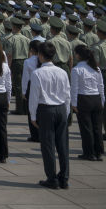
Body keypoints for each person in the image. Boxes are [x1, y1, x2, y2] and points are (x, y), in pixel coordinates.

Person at [30, 41, 71, 189]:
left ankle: (52, 178)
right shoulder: (62, 72)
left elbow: (34, 97)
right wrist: (66, 112)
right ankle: (64, 177)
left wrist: (33, 116)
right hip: (61, 108)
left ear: (40, 55)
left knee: (48, 146)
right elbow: (67, 95)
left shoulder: (37, 73)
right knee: (63, 145)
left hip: (46, 110)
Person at [70, 44, 105, 161]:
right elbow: (101, 86)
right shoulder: (96, 68)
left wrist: (73, 103)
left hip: (84, 99)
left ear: (78, 55)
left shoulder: (76, 69)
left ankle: (89, 153)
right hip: (96, 99)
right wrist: (102, 100)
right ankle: (98, 152)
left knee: (86, 128)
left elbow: (74, 88)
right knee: (97, 127)